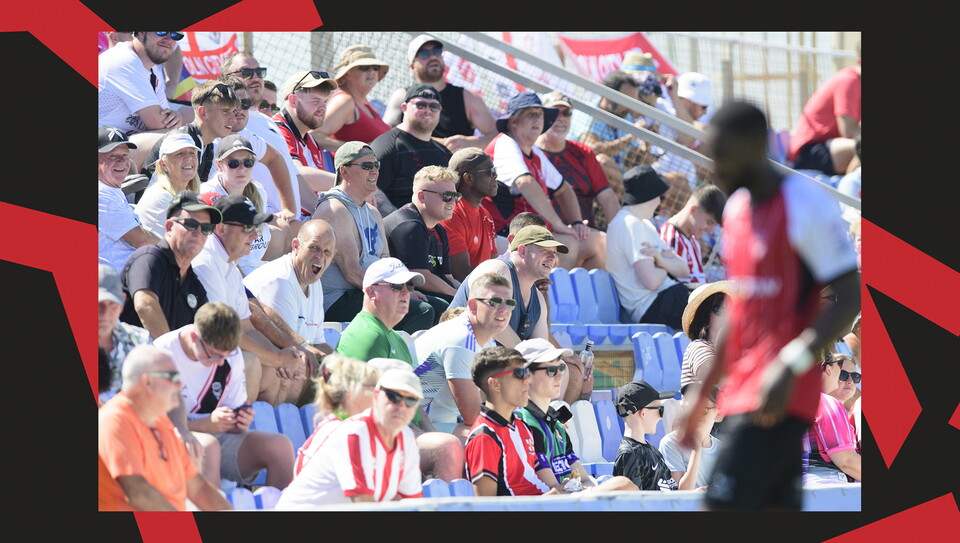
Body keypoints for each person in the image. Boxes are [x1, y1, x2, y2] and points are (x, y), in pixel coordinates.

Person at [680, 101, 860, 511]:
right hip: (743, 388)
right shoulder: (737, 210)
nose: (716, 168)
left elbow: (850, 294)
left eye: (723, 155)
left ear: (755, 145)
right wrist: (702, 395)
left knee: (721, 507)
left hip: (784, 392)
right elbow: (741, 314)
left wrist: (793, 362)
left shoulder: (804, 200)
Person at [191, 192, 317, 407]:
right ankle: (238, 426)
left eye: (256, 228)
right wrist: (276, 359)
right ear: (221, 229)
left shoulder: (229, 265)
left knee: (284, 374)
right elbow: (222, 334)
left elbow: (247, 327)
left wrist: (281, 357)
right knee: (260, 367)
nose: (255, 235)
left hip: (219, 350)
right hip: (199, 356)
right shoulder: (205, 263)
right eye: (247, 228)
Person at [157, 302, 295, 490]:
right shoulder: (162, 353)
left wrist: (238, 421)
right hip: (171, 441)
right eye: (214, 355)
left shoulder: (230, 355)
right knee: (209, 447)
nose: (221, 363)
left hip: (217, 438)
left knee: (281, 446)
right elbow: (153, 425)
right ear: (193, 337)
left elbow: (234, 409)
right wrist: (205, 425)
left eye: (226, 356)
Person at [312, 141, 435, 334]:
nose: (374, 171)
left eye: (376, 165)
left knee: (439, 306)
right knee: (422, 311)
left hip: (369, 290)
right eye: (367, 166)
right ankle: (390, 351)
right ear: (344, 172)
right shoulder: (335, 209)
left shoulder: (372, 211)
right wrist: (398, 293)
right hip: (338, 299)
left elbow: (385, 261)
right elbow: (352, 274)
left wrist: (403, 290)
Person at [98, 344, 233, 511]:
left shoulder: (162, 422)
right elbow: (139, 493)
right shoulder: (114, 421)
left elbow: (198, 488)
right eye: (173, 377)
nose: (180, 384)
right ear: (147, 382)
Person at [483, 91, 602, 270]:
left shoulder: (533, 151)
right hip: (498, 233)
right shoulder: (506, 143)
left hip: (524, 232)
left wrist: (577, 223)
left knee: (597, 242)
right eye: (531, 114)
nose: (538, 119)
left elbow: (564, 189)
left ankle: (558, 287)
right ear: (513, 121)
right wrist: (558, 224)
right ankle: (543, 287)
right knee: (565, 245)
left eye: (540, 115)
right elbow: (525, 183)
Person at [275, 368, 424, 509]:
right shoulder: (354, 433)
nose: (401, 406)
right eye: (393, 397)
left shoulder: (407, 438)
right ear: (376, 396)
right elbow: (364, 505)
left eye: (410, 401)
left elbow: (413, 502)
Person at [514, 338, 639, 493]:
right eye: (551, 370)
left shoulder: (556, 424)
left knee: (623, 486)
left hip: (568, 499)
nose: (559, 376)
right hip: (546, 502)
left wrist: (584, 489)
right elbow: (552, 489)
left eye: (561, 368)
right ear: (526, 375)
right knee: (622, 484)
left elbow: (584, 479)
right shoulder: (523, 422)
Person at [412, 272, 514, 441]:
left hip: (445, 423)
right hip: (418, 427)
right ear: (472, 306)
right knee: (491, 438)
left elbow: (490, 397)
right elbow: (472, 416)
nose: (503, 309)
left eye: (509, 303)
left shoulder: (487, 340)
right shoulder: (460, 340)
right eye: (494, 302)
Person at [119, 191, 224, 339]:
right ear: (169, 227)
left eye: (206, 228)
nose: (198, 233)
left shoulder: (193, 282)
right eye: (191, 225)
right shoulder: (149, 258)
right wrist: (171, 351)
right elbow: (145, 305)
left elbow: (208, 330)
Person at [219, 52, 308, 221]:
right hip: (257, 223)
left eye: (259, 72)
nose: (255, 78)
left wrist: (317, 209)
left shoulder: (269, 122)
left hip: (288, 222)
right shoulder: (230, 124)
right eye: (246, 73)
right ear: (225, 79)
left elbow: (292, 175)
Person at [242, 219, 338, 372]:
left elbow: (318, 344)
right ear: (296, 246)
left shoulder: (315, 282)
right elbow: (293, 350)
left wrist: (343, 365)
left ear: (333, 256)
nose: (320, 256)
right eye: (314, 247)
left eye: (327, 252)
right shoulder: (280, 280)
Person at [605, 165, 691, 328]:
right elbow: (651, 281)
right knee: (720, 305)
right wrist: (666, 266)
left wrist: (660, 261)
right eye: (659, 196)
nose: (659, 202)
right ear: (649, 196)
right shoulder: (629, 224)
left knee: (720, 299)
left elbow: (684, 270)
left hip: (667, 298)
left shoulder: (644, 224)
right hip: (653, 305)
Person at [212, 73, 300, 232]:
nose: (240, 109)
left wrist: (288, 208)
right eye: (234, 103)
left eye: (245, 103)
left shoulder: (244, 135)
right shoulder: (205, 139)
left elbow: (274, 158)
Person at [464, 345, 555, 496]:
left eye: (527, 372)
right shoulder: (484, 436)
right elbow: (486, 505)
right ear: (495, 384)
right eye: (519, 374)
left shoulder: (522, 426)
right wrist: (548, 499)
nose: (528, 380)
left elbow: (535, 482)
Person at [383, 34, 497, 153]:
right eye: (424, 53)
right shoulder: (402, 96)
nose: (432, 57)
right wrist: (438, 144)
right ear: (412, 65)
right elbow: (385, 133)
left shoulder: (467, 97)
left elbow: (497, 136)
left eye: (436, 51)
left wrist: (470, 143)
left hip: (455, 163)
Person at [198, 134, 290, 274]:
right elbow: (219, 253)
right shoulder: (208, 195)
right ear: (219, 165)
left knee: (282, 228)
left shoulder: (258, 191)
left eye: (248, 162)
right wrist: (245, 285)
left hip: (257, 269)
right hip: (228, 273)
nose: (242, 169)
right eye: (233, 163)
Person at [536, 91, 621, 233]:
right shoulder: (531, 152)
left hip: (586, 233)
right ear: (541, 115)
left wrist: (619, 233)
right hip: (545, 234)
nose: (560, 118)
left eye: (566, 113)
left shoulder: (583, 152)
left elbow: (607, 197)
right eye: (554, 112)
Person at [383, 165, 461, 313]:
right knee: (446, 307)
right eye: (447, 196)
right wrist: (459, 297)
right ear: (422, 196)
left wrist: (467, 294)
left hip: (416, 291)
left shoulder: (439, 230)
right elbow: (421, 277)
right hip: (395, 293)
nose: (453, 201)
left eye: (456, 196)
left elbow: (448, 277)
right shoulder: (409, 226)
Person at [293, 353, 381, 478]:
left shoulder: (346, 424)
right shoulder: (343, 431)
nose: (380, 394)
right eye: (373, 388)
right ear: (351, 393)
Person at [370, 83, 453, 214]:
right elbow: (368, 189)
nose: (427, 110)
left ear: (440, 110)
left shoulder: (443, 152)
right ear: (404, 107)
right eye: (420, 105)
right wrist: (401, 221)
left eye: (433, 106)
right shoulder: (388, 147)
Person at [140, 79, 240, 180]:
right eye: (225, 112)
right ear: (203, 112)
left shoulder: (207, 144)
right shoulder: (181, 142)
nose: (233, 119)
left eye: (233, 112)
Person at [788, 41, 861, 177]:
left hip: (829, 147)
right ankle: (849, 188)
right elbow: (848, 130)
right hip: (808, 153)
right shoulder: (849, 81)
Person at [272, 69, 340, 213]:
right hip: (282, 219)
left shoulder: (310, 140)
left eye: (325, 101)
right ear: (294, 101)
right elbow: (297, 175)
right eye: (316, 101)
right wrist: (348, 182)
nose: (323, 107)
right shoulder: (276, 131)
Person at [335, 257, 425, 364]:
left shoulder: (394, 338)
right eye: (397, 285)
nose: (406, 292)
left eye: (409, 286)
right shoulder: (368, 336)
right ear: (372, 292)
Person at [98, 31, 188, 135]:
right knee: (175, 137)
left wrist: (176, 116)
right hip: (104, 140)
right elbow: (159, 124)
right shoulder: (122, 60)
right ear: (141, 33)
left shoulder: (151, 67)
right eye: (161, 31)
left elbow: (166, 115)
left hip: (124, 137)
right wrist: (173, 120)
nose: (169, 39)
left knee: (200, 118)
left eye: (175, 35)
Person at [99, 127, 160, 273]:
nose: (121, 161)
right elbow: (141, 239)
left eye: (125, 155)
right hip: (115, 281)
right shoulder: (101, 194)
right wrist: (174, 249)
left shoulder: (111, 190)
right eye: (112, 156)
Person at [314, 45, 391, 149]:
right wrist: (360, 150)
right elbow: (314, 136)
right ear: (347, 74)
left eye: (376, 67)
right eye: (364, 67)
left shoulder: (365, 104)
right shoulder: (344, 100)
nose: (372, 71)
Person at [802, 352, 861, 486]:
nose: (850, 381)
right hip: (825, 484)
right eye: (842, 373)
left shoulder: (794, 402)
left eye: (856, 377)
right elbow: (847, 461)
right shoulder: (826, 403)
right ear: (829, 369)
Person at [441, 147, 499, 282]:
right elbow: (462, 274)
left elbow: (494, 263)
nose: (495, 176)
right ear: (469, 178)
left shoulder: (486, 215)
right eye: (490, 172)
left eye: (495, 170)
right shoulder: (452, 214)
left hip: (486, 286)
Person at [612, 380, 679, 491]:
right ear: (644, 413)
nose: (660, 417)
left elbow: (671, 489)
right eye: (660, 410)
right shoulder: (629, 454)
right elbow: (633, 500)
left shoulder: (652, 450)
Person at [98, 263, 151, 404]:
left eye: (112, 305)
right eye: (98, 304)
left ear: (122, 304)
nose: (105, 313)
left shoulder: (139, 341)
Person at [575, 70, 647, 170]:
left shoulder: (626, 117)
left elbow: (631, 163)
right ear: (609, 96)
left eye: (633, 103)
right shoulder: (588, 112)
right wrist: (630, 137)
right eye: (627, 102)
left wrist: (647, 144)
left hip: (617, 175)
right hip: (585, 172)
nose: (630, 108)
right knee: (602, 161)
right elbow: (591, 149)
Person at [135, 132, 202, 237]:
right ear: (163, 165)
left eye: (192, 153)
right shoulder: (162, 197)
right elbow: (184, 242)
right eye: (179, 153)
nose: (189, 158)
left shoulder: (185, 195)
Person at [658, 184, 727, 285]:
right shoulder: (670, 238)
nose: (710, 231)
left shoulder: (693, 241)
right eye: (709, 222)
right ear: (693, 210)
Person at [658, 384, 723, 490]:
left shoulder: (722, 448)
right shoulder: (671, 443)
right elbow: (680, 493)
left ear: (718, 414)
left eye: (703, 410)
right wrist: (696, 450)